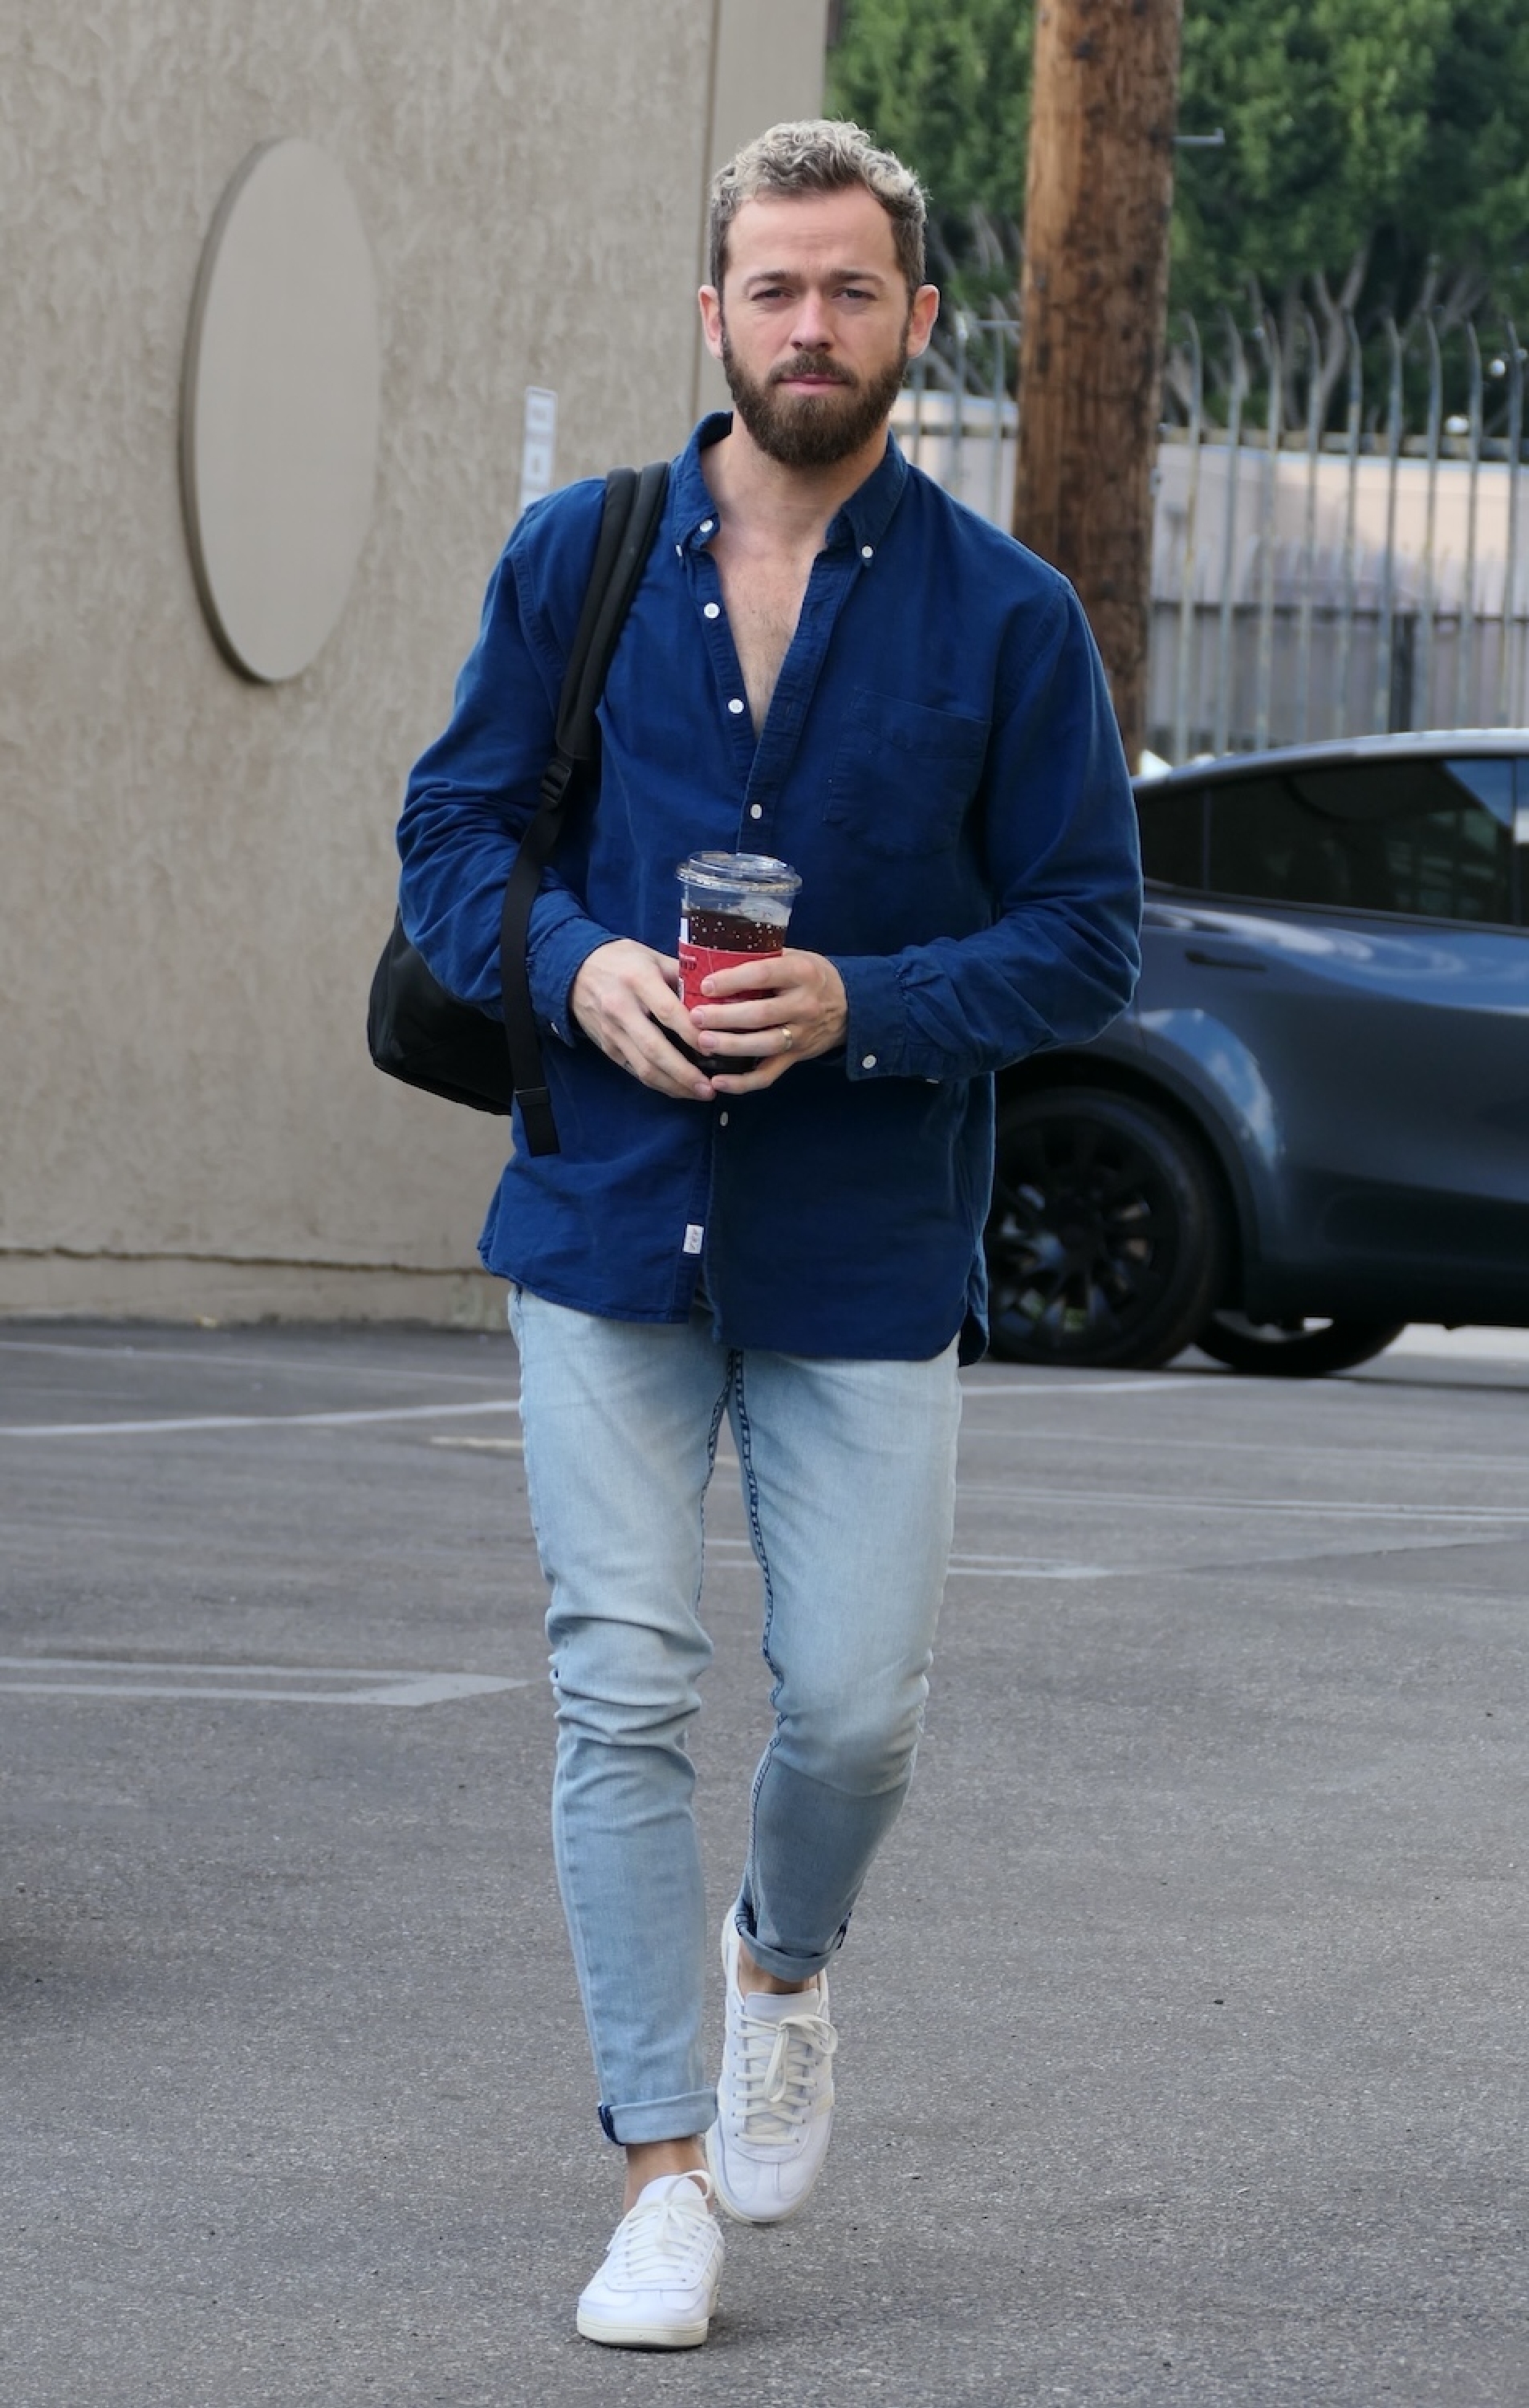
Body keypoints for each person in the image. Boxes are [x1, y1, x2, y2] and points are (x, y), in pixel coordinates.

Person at [396, 118, 1142, 2349]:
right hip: (606, 1223)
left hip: (859, 1240)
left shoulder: (1007, 618)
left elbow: (1087, 938)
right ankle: (659, 2169)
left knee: (854, 1712)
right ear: (706, 310)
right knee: (618, 1687)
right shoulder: (581, 557)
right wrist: (573, 967)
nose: (803, 326)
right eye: (767, 287)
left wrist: (867, 1004)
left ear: (918, 318)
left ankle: (782, 1965)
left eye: (846, 290)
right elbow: (448, 847)